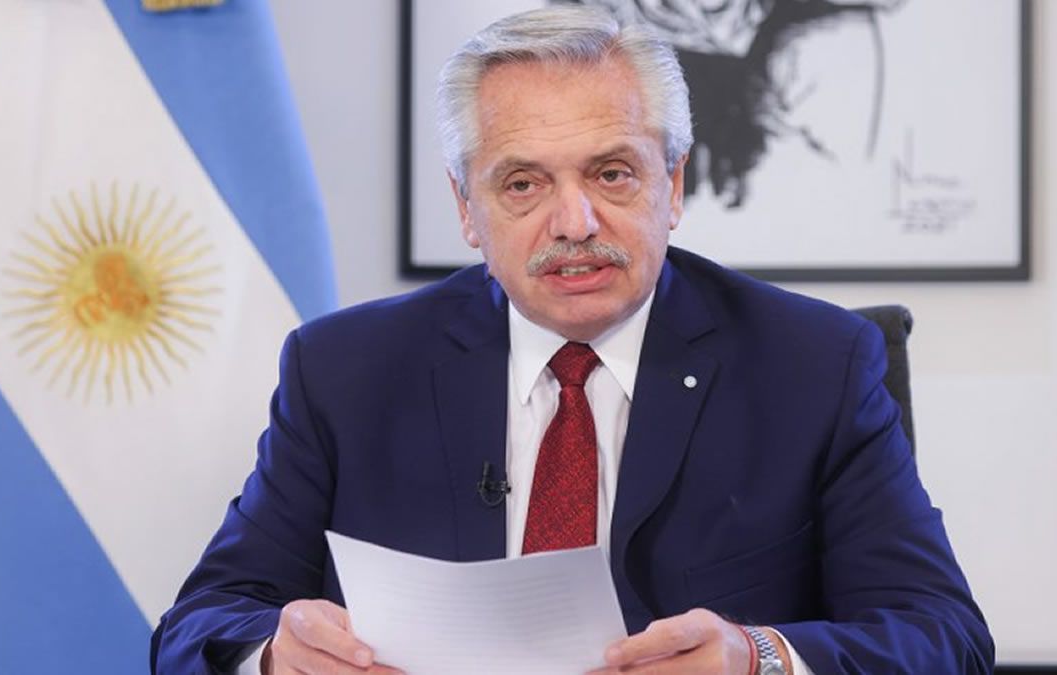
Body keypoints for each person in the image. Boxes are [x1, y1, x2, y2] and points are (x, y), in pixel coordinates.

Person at [151, 6, 992, 674]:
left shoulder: (815, 365)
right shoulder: (344, 372)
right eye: (523, 184)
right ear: (467, 209)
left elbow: (943, 634)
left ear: (673, 185)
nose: (575, 222)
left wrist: (758, 657)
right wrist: (275, 655)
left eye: (611, 173)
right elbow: (198, 625)